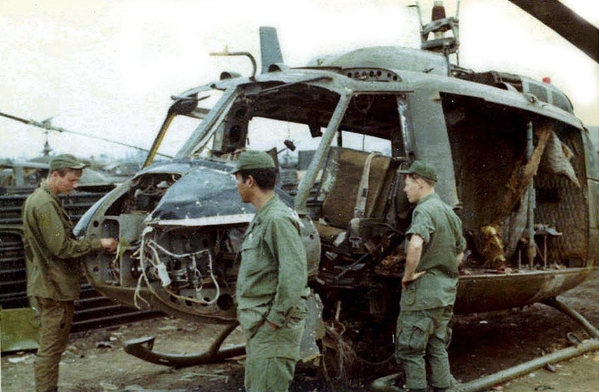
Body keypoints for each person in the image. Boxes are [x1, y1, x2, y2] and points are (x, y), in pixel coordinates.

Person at [22, 154, 118, 392]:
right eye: (72, 180)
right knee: (51, 350)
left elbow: (33, 247)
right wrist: (100, 244)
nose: (75, 186)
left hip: (47, 284)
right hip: (54, 290)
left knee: (50, 348)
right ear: (55, 175)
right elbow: (61, 247)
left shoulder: (41, 200)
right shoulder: (44, 204)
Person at [232, 150, 309, 392]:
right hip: (261, 326)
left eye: (238, 180)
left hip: (272, 328)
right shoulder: (263, 217)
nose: (236, 186)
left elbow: (294, 276)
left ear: (250, 181)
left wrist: (274, 321)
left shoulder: (277, 219)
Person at [395, 160, 466, 392]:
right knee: (437, 346)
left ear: (419, 182)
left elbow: (415, 244)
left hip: (423, 294)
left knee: (411, 350)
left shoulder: (424, 210)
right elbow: (459, 254)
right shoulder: (449, 212)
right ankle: (444, 387)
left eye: (407, 184)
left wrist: (408, 275)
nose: (405, 190)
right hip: (445, 294)